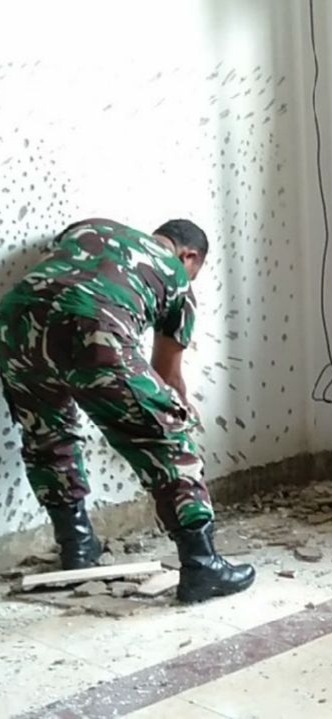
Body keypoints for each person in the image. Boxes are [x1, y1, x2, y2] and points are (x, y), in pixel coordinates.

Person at [0, 218, 255, 603]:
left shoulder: (90, 228)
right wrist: (178, 411)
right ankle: (202, 566)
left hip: (13, 322)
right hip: (94, 324)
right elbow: (166, 374)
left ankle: (77, 548)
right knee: (166, 438)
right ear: (189, 256)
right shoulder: (177, 277)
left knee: (46, 436)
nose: (191, 279)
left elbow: (59, 266)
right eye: (195, 271)